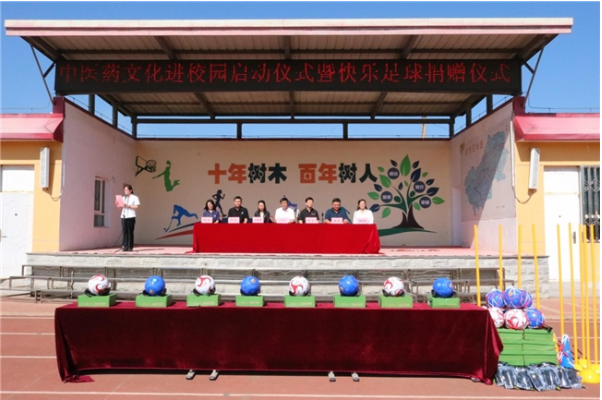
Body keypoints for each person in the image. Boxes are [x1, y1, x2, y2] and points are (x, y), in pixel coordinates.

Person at [115, 185, 140, 251]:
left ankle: (130, 246)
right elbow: (121, 208)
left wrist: (128, 206)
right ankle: (125, 246)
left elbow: (137, 207)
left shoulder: (135, 197)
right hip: (124, 216)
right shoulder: (123, 198)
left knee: (130, 231)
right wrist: (117, 204)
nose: (125, 191)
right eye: (124, 190)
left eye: (126, 190)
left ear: (130, 190)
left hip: (131, 216)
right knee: (125, 231)